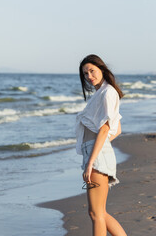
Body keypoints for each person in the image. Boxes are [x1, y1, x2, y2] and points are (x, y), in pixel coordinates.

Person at [75, 54, 127, 236]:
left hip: (96, 155)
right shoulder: (103, 93)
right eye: (85, 73)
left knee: (96, 214)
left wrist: (92, 160)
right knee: (98, 213)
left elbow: (106, 129)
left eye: (92, 71)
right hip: (97, 151)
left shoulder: (108, 93)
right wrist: (101, 148)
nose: (89, 76)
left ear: (102, 69)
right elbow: (117, 128)